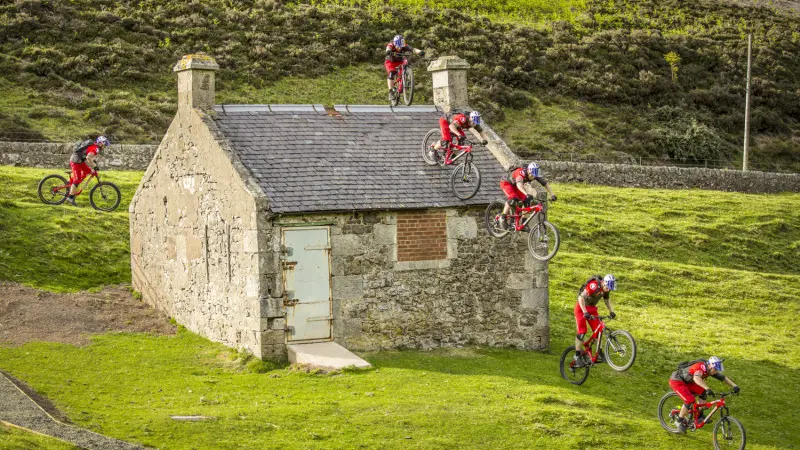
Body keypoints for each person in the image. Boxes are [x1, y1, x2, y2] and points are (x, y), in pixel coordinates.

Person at [669, 356, 740, 432]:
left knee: (703, 393)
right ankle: (679, 421)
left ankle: (699, 416)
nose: (715, 372)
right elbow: (696, 378)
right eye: (715, 369)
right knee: (689, 400)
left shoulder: (710, 369)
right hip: (677, 381)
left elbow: (723, 377)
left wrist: (735, 386)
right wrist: (707, 388)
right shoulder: (700, 367)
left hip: (688, 382)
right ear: (710, 366)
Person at [573, 274, 616, 367]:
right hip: (581, 308)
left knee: (598, 330)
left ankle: (599, 353)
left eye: (610, 289)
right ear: (604, 283)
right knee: (582, 331)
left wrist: (611, 311)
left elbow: (606, 300)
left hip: (592, 309)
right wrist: (585, 312)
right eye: (607, 288)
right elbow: (580, 297)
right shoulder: (594, 286)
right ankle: (577, 356)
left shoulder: (606, 289)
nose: (608, 290)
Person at [498, 162, 556, 230]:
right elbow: (519, 185)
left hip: (515, 185)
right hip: (506, 183)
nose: (533, 177)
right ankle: (502, 217)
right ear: (529, 171)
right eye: (532, 175)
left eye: (534, 176)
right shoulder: (520, 173)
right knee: (513, 198)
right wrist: (526, 194)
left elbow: (545, 184)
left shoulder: (535, 174)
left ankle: (524, 222)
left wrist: (552, 194)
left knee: (527, 200)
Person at [67, 135, 109, 206]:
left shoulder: (94, 146)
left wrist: (93, 161)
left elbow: (88, 154)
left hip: (80, 161)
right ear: (100, 143)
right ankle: (70, 197)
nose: (104, 146)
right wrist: (94, 166)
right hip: (75, 161)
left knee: (89, 171)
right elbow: (88, 157)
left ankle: (74, 182)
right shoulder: (96, 148)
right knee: (77, 180)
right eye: (104, 144)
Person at [385, 35, 424, 101]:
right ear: (395, 43)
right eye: (398, 47)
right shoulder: (391, 44)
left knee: (406, 63)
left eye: (401, 47)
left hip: (400, 61)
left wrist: (420, 52)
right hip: (390, 61)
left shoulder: (404, 45)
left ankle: (405, 79)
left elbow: (413, 49)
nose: (399, 48)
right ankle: (391, 92)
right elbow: (388, 48)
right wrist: (388, 51)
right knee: (391, 73)